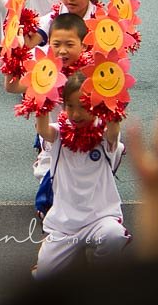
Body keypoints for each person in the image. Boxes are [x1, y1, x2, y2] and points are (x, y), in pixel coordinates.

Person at [34, 72, 129, 277]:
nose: (76, 114)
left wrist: (111, 99)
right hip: (64, 224)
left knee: (113, 236)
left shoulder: (104, 136)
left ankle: (97, 263)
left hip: (100, 218)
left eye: (84, 106)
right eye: (69, 105)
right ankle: (60, 252)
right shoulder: (59, 133)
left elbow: (113, 131)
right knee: (44, 277)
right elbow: (42, 129)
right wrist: (41, 94)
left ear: (97, 104)